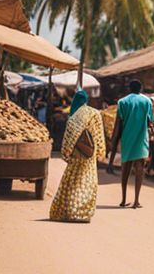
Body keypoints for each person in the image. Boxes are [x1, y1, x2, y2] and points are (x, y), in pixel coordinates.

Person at [49, 89, 105, 222]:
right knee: (87, 182)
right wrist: (100, 152)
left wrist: (66, 154)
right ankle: (82, 213)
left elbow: (68, 140)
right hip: (89, 156)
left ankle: (70, 211)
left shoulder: (73, 117)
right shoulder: (94, 113)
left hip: (76, 154)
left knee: (73, 183)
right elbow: (99, 135)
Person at [108, 79, 154, 209]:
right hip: (141, 139)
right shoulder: (147, 101)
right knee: (140, 169)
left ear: (129, 88)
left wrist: (113, 140)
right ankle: (136, 201)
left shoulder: (122, 102)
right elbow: (150, 121)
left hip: (127, 139)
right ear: (141, 88)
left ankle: (123, 200)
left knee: (125, 169)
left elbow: (118, 123)